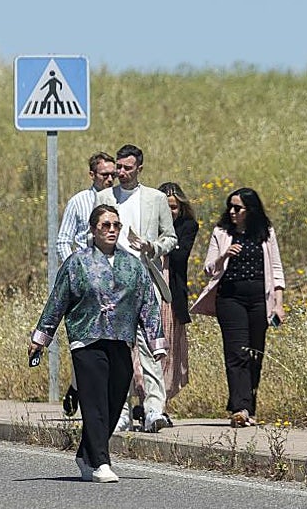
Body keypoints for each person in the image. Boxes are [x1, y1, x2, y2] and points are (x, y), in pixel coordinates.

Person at [29, 205, 167, 483]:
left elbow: (148, 304)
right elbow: (58, 301)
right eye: (106, 225)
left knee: (114, 404)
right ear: (93, 230)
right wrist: (41, 338)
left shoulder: (132, 265)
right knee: (94, 404)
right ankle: (102, 463)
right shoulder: (77, 262)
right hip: (86, 340)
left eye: (116, 225)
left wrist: (156, 342)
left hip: (120, 340)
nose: (112, 230)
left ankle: (85, 455)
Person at [95, 144, 177, 433]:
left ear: (139, 168)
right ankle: (121, 411)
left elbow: (171, 237)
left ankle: (155, 409)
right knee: (117, 349)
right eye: (119, 167)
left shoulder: (155, 198)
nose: (121, 172)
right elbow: (93, 232)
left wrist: (152, 247)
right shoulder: (105, 197)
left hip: (144, 280)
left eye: (127, 168)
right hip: (113, 283)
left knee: (150, 346)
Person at [191, 187, 285, 428]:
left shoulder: (266, 233)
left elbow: (276, 270)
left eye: (238, 208)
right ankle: (239, 408)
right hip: (230, 298)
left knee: (255, 353)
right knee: (236, 353)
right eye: (230, 207)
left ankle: (250, 407)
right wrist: (225, 255)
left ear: (250, 210)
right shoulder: (221, 233)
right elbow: (209, 269)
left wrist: (279, 304)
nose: (232, 212)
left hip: (259, 300)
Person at [55, 151, 118, 416]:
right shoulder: (79, 202)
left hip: (114, 282)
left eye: (113, 174)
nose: (110, 179)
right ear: (92, 175)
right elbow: (62, 240)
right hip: (86, 283)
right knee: (85, 341)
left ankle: (95, 392)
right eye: (105, 174)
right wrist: (76, 271)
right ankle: (79, 386)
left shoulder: (119, 201)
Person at [157, 182, 199, 403]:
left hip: (172, 293)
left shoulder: (187, 226)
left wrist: (161, 243)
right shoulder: (148, 225)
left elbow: (180, 256)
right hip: (150, 291)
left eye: (172, 208)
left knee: (169, 348)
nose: (169, 212)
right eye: (164, 207)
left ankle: (160, 401)